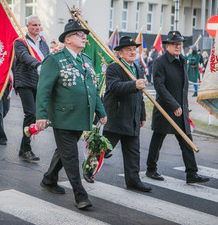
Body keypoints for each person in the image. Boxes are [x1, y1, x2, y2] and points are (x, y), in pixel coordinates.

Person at [36, 20, 107, 210]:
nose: (84, 37)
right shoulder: (55, 59)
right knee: (71, 156)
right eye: (79, 34)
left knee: (64, 152)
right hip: (63, 117)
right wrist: (41, 115)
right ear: (68, 40)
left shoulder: (86, 60)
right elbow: (43, 89)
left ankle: (49, 179)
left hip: (82, 117)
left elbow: (92, 89)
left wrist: (100, 111)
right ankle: (80, 195)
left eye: (84, 35)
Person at [146, 31, 210, 184]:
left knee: (187, 139)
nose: (178, 46)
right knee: (158, 138)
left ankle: (191, 173)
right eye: (175, 44)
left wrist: (183, 106)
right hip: (165, 109)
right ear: (167, 45)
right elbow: (160, 87)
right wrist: (174, 104)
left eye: (180, 44)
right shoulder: (160, 62)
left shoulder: (182, 60)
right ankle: (151, 169)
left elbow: (182, 87)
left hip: (181, 109)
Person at [101, 36, 152, 192]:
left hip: (133, 117)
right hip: (117, 117)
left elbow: (140, 94)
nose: (132, 52)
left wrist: (142, 115)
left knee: (133, 152)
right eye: (128, 50)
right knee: (104, 149)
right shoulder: (114, 67)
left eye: (134, 49)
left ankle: (133, 180)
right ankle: (90, 169)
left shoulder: (137, 68)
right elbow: (114, 86)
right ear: (120, 53)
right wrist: (133, 84)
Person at [14, 15, 50, 162]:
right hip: (24, 81)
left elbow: (48, 59)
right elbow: (23, 56)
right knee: (30, 113)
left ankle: (23, 148)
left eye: (39, 25)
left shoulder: (44, 44)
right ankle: (27, 149)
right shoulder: (20, 41)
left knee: (35, 116)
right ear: (27, 26)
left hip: (39, 82)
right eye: (34, 25)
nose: (37, 27)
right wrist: (38, 64)